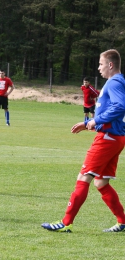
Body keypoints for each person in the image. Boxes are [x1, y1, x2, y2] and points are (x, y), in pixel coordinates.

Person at [41, 49, 125, 232]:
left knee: (84, 177)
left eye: (101, 64)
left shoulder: (114, 83)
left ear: (110, 65)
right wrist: (89, 123)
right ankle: (122, 221)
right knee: (100, 182)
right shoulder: (116, 82)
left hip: (108, 139)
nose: (98, 68)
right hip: (115, 137)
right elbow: (112, 113)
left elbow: (120, 107)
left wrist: (95, 120)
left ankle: (66, 223)